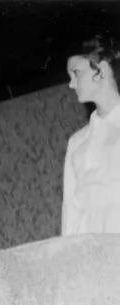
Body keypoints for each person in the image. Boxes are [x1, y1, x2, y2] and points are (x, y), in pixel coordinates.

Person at [62, 33, 120, 235]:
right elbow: (71, 214)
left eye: (76, 73)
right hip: (90, 257)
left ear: (102, 70)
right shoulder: (77, 143)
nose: (71, 84)